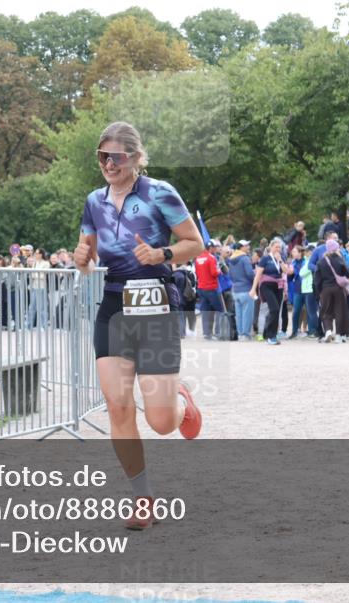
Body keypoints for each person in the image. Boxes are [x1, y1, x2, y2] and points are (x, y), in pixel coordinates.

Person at [74, 120, 203, 530]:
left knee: (161, 422)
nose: (108, 163)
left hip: (156, 303)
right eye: (102, 156)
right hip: (114, 304)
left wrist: (163, 253)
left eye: (116, 156)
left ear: (134, 157)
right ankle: (143, 497)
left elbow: (194, 243)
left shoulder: (160, 193)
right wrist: (81, 259)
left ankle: (180, 401)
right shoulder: (93, 201)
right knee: (118, 405)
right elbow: (89, 257)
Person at [249, 237, 293, 345]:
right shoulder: (265, 259)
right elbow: (258, 275)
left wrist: (281, 260)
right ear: (271, 247)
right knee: (274, 309)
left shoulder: (281, 257)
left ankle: (269, 333)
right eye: (276, 247)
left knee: (276, 311)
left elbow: (286, 271)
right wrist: (253, 289)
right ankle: (270, 336)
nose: (278, 249)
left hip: (278, 285)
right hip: (266, 285)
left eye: (280, 247)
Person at [313, 239, 349, 342]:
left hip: (325, 289)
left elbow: (317, 279)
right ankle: (339, 335)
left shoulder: (321, 262)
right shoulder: (339, 259)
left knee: (326, 311)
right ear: (336, 248)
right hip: (338, 289)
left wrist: (318, 292)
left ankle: (328, 331)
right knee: (340, 311)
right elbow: (348, 273)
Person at [194, 240, 224, 340]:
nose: (215, 249)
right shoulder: (211, 258)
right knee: (220, 310)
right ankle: (218, 332)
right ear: (210, 248)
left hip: (201, 288)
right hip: (211, 288)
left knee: (205, 311)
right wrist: (219, 270)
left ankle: (206, 333)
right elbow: (214, 273)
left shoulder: (198, 258)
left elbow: (197, 273)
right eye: (214, 247)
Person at [228, 240, 255, 339]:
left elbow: (230, 275)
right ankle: (245, 334)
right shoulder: (245, 258)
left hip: (236, 290)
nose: (248, 247)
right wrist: (255, 275)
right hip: (246, 289)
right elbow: (249, 274)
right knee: (247, 314)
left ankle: (240, 335)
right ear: (241, 247)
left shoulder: (231, 259)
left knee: (239, 314)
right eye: (247, 245)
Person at [27, 248, 51, 329]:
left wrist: (35, 274)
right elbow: (32, 274)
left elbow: (43, 275)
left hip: (42, 287)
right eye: (35, 253)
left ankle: (43, 326)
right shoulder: (34, 263)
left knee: (42, 308)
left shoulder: (46, 263)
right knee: (31, 307)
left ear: (41, 254)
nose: (36, 255)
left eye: (37, 253)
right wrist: (35, 274)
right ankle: (29, 325)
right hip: (34, 286)